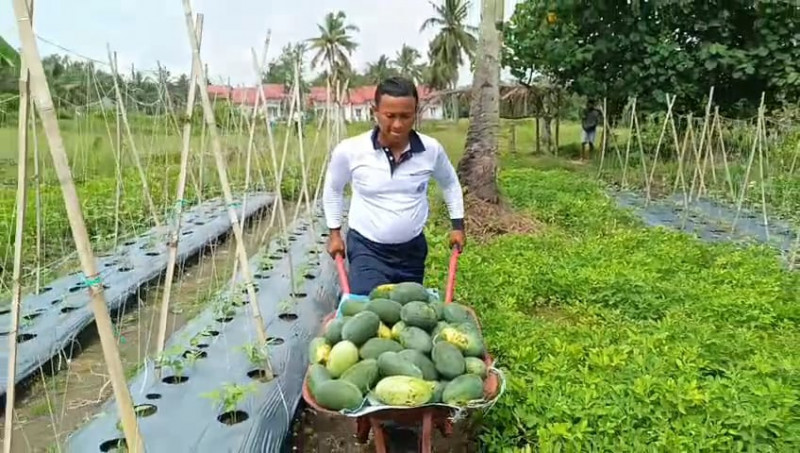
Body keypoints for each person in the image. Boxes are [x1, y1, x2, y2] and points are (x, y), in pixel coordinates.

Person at [322, 76, 466, 296]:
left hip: (411, 251)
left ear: (415, 113)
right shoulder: (351, 150)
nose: (398, 124)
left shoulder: (431, 150)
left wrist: (457, 226)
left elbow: (450, 184)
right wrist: (334, 234)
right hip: (367, 249)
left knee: (406, 314)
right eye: (390, 116)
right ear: (375, 112)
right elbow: (333, 188)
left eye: (406, 116)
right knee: (368, 311)